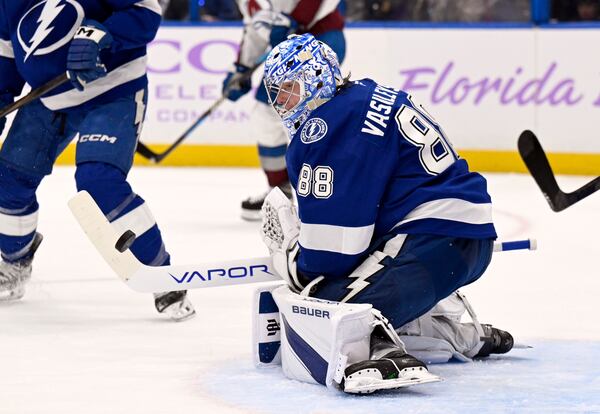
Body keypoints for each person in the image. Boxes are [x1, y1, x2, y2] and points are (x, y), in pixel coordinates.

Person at [259, 33, 513, 392]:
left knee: (325, 307)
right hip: (461, 239)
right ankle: (452, 332)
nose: (284, 104)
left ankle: (384, 350)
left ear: (315, 78)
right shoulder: (364, 96)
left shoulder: (328, 125)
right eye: (278, 95)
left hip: (429, 240)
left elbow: (333, 254)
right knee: (359, 281)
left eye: (290, 90)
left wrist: (291, 257)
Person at [0, 0, 195, 321]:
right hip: (50, 98)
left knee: (98, 181)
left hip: (113, 88)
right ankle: (15, 261)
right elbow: (6, 51)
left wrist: (100, 33)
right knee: (8, 180)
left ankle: (163, 276)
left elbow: (146, 13)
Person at [223, 0, 345, 220]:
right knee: (265, 114)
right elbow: (256, 29)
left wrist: (297, 18)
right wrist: (240, 69)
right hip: (287, 53)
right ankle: (280, 189)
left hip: (320, 40)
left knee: (316, 115)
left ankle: (330, 191)